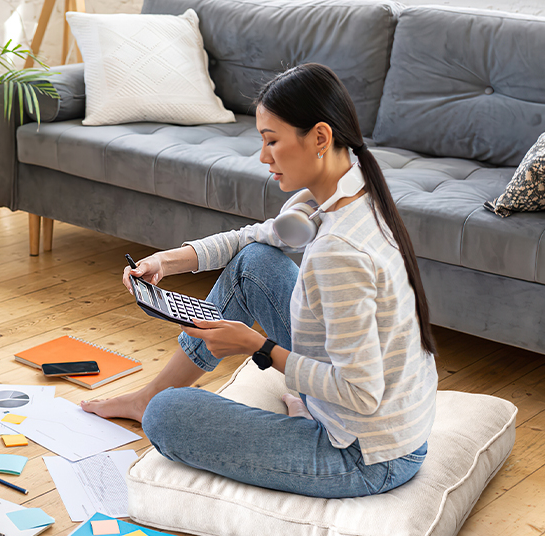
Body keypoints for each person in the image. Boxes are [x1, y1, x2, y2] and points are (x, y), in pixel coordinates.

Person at [82, 64, 438, 498]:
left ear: (320, 138)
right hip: (387, 422)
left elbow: (361, 394)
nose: (264, 157)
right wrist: (169, 261)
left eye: (272, 141)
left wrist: (258, 347)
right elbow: (254, 237)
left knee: (167, 414)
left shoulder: (339, 252)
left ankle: (161, 403)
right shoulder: (350, 184)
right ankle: (153, 395)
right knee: (255, 261)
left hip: (367, 455)